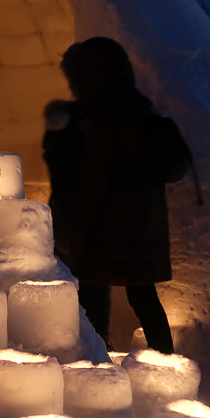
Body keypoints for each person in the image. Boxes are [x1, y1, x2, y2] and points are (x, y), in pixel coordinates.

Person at [42, 36, 175, 354]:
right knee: (143, 295)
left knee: (92, 291)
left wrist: (77, 227)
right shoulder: (137, 105)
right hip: (142, 221)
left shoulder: (101, 113)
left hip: (109, 223)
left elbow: (94, 176)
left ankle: (95, 366)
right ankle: (168, 365)